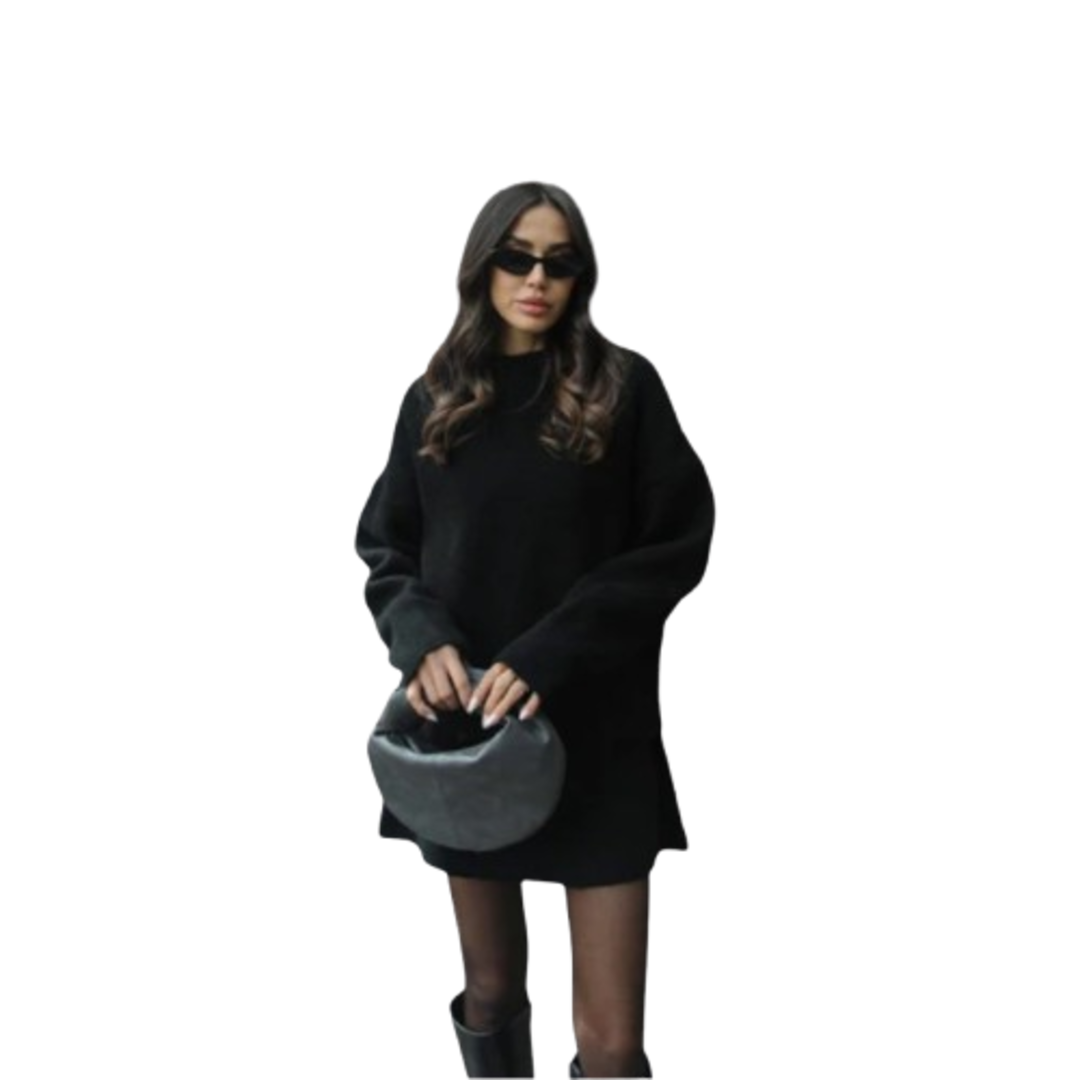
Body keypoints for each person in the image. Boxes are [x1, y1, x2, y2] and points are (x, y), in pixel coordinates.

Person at [352, 178, 717, 1080]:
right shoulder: (435, 394)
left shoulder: (626, 385)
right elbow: (383, 544)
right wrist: (420, 639)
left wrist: (554, 650)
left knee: (612, 1043)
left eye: (560, 262)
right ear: (482, 266)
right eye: (516, 258)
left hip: (599, 736)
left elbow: (678, 542)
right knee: (489, 990)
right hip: (469, 738)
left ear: (582, 276)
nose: (537, 280)